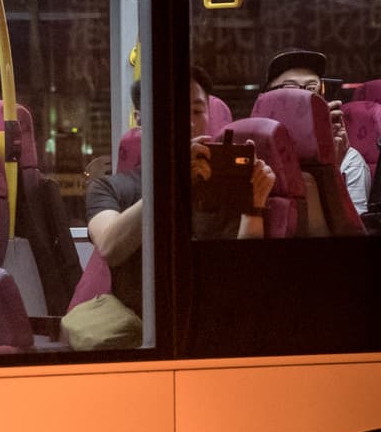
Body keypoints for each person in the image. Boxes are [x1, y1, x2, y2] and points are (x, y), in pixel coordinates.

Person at [84, 66, 275, 317]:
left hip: (216, 317)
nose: (187, 121)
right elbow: (110, 247)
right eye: (171, 109)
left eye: (197, 111)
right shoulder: (110, 187)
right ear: (140, 119)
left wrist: (254, 206)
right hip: (147, 329)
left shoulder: (228, 183)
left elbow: (242, 274)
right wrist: (171, 179)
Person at [263, 47, 371, 215]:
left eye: (312, 88)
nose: (303, 97)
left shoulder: (349, 160)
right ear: (266, 99)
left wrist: (330, 169)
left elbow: (349, 235)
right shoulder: (254, 150)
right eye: (290, 88)